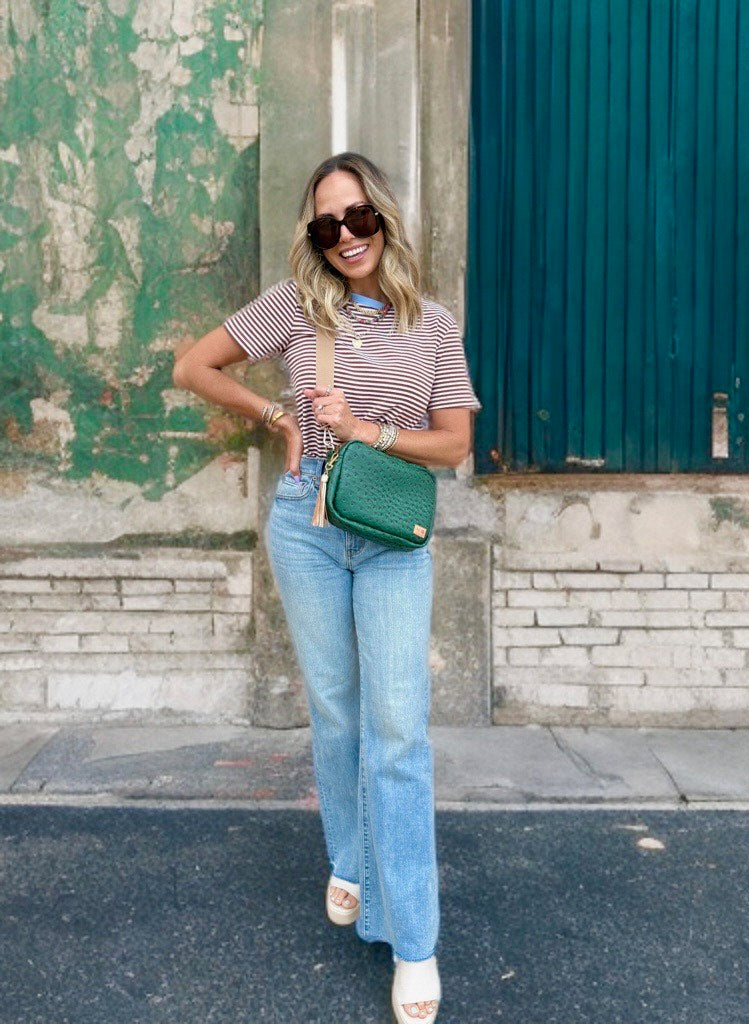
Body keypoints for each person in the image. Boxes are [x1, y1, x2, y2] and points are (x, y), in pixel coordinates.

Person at [173, 151, 481, 1023]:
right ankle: (351, 858)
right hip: (307, 529)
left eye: (358, 219)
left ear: (383, 217)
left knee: (397, 730)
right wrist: (276, 417)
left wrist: (369, 429)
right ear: (313, 235)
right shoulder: (297, 307)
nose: (344, 237)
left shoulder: (434, 324)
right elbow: (194, 366)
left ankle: (413, 943)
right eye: (326, 225)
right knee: (338, 712)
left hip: (390, 538)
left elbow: (455, 444)